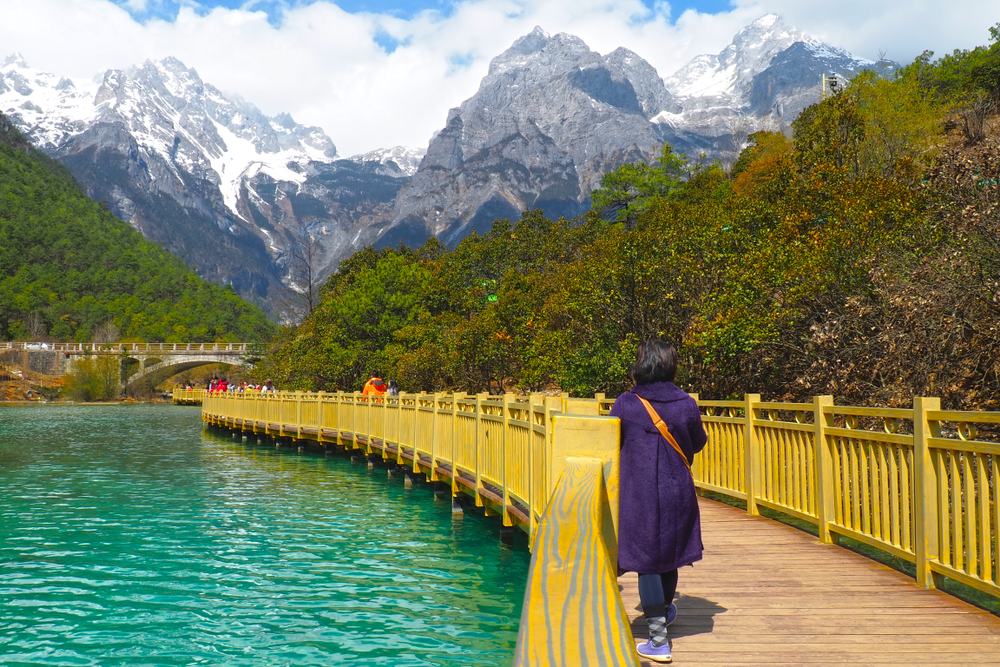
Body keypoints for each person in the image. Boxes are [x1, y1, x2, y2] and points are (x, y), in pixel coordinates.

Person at [610, 339, 707, 664]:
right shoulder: (686, 404)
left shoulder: (626, 404)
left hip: (640, 496)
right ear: (669, 365)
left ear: (640, 365)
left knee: (648, 562)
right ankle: (664, 613)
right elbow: (697, 444)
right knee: (669, 556)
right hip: (677, 492)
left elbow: (608, 444)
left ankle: (658, 640)